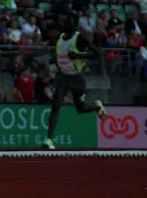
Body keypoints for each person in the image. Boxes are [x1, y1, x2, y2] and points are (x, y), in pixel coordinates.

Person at [42, 14, 107, 150]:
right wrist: (55, 58)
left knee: (81, 108)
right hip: (63, 76)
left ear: (75, 25)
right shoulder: (60, 37)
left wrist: (79, 55)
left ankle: (97, 106)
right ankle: (49, 139)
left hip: (77, 78)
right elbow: (60, 52)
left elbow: (99, 53)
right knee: (55, 105)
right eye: (66, 23)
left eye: (70, 24)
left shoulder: (81, 37)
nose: (67, 26)